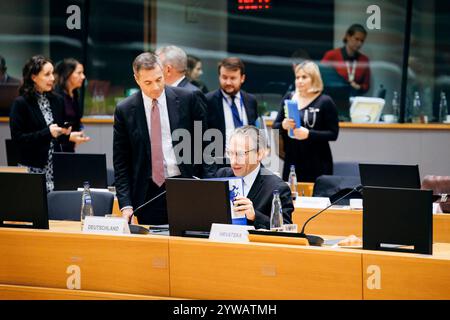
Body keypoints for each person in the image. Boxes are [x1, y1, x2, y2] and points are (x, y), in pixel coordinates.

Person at [113, 52, 214, 225]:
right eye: (148, 82)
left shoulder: (187, 99)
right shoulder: (125, 109)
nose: (155, 87)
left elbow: (205, 145)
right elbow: (121, 161)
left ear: (164, 73)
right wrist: (126, 204)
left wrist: (209, 187)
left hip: (185, 184)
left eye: (159, 79)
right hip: (148, 192)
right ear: (136, 79)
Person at [9, 55, 88, 191]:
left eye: (52, 73)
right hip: (32, 169)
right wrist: (48, 132)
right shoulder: (21, 103)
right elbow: (18, 140)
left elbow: (57, 138)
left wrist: (66, 134)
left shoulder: (57, 100)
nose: (52, 78)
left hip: (55, 168)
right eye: (47, 74)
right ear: (34, 77)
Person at [272, 61, 339, 182]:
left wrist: (309, 134)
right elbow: (275, 126)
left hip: (318, 161)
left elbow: (333, 134)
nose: (300, 81)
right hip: (292, 160)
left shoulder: (325, 101)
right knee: (291, 196)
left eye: (304, 77)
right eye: (297, 77)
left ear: (314, 79)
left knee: (318, 197)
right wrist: (284, 124)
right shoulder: (289, 97)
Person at [216, 125, 293, 229]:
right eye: (230, 153)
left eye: (241, 154)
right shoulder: (222, 175)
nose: (233, 161)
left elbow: (286, 228)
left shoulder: (278, 188)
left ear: (259, 154)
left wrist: (255, 216)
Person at [205, 57, 259, 164]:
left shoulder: (251, 100)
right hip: (220, 164)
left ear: (242, 78)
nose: (228, 82)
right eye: (224, 77)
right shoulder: (208, 101)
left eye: (233, 78)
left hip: (247, 163)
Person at [321, 24, 371, 96]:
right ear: (348, 37)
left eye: (362, 41)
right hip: (333, 98)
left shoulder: (364, 60)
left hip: (355, 99)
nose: (359, 43)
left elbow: (366, 85)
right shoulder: (331, 55)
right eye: (357, 39)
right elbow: (320, 78)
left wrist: (358, 87)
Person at [54, 58, 89, 152]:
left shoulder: (75, 95)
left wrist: (79, 134)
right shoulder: (56, 96)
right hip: (57, 149)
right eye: (79, 73)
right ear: (67, 74)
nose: (83, 77)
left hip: (70, 148)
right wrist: (70, 137)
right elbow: (54, 128)